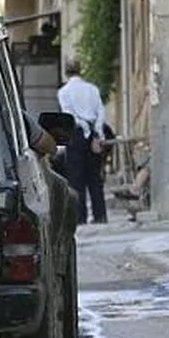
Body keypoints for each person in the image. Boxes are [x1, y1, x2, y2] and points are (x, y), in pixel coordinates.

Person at [56, 59, 108, 224]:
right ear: (80, 70)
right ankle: (100, 215)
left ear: (66, 72)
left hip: (76, 134)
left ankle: (80, 216)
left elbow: (68, 114)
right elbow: (100, 111)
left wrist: (84, 128)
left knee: (76, 177)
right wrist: (97, 132)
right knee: (95, 177)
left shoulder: (63, 92)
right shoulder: (92, 89)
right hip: (93, 133)